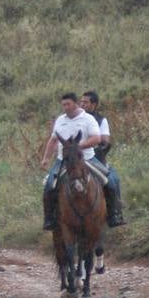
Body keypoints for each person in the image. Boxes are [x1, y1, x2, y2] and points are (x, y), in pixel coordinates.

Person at [39, 92, 103, 231]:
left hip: (86, 158)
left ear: (76, 104)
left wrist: (78, 147)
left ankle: (114, 214)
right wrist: (46, 158)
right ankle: (50, 218)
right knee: (49, 185)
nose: (65, 107)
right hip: (64, 160)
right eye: (63, 105)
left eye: (68, 104)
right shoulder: (60, 120)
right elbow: (53, 140)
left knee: (111, 179)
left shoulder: (88, 119)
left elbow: (97, 139)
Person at [80, 90, 126, 227]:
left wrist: (97, 147)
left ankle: (114, 214)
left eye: (86, 102)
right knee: (52, 181)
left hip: (96, 159)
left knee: (113, 181)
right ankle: (53, 217)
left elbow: (105, 141)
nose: (82, 104)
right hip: (75, 159)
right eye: (81, 101)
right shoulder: (74, 119)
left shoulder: (101, 120)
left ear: (94, 104)